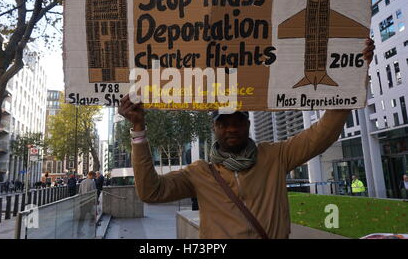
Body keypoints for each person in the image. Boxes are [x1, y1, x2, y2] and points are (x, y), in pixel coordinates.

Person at [119, 39, 375, 239]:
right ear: (214, 128)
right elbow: (151, 192)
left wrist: (354, 74)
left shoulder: (275, 156)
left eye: (238, 121)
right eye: (224, 123)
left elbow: (321, 134)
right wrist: (139, 129)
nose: (232, 129)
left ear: (248, 124)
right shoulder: (199, 173)